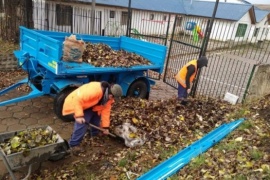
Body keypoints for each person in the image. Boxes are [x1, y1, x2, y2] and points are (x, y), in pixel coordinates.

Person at [62, 81, 123, 155]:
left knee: (96, 119)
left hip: (93, 106)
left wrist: (105, 127)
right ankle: (73, 144)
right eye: (113, 97)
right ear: (110, 94)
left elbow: (106, 113)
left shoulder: (109, 99)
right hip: (79, 103)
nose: (112, 99)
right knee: (82, 124)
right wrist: (79, 116)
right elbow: (77, 99)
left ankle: (94, 134)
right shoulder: (95, 90)